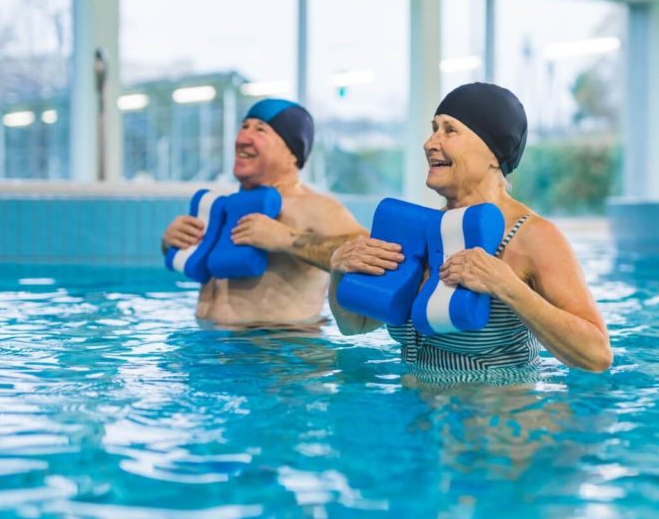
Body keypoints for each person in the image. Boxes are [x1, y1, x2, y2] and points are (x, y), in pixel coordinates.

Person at [328, 83, 612, 372]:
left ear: (493, 153)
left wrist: (508, 287)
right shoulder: (421, 231)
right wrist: (339, 272)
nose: (430, 143)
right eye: (433, 129)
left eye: (449, 130)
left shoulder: (532, 236)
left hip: (500, 414)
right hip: (414, 413)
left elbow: (597, 354)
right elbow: (354, 325)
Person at [162, 98, 365, 329]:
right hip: (207, 347)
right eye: (244, 126)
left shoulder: (316, 207)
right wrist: (171, 242)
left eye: (260, 130)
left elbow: (368, 252)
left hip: (277, 352)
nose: (242, 138)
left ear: (292, 153)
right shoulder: (229, 206)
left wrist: (286, 239)